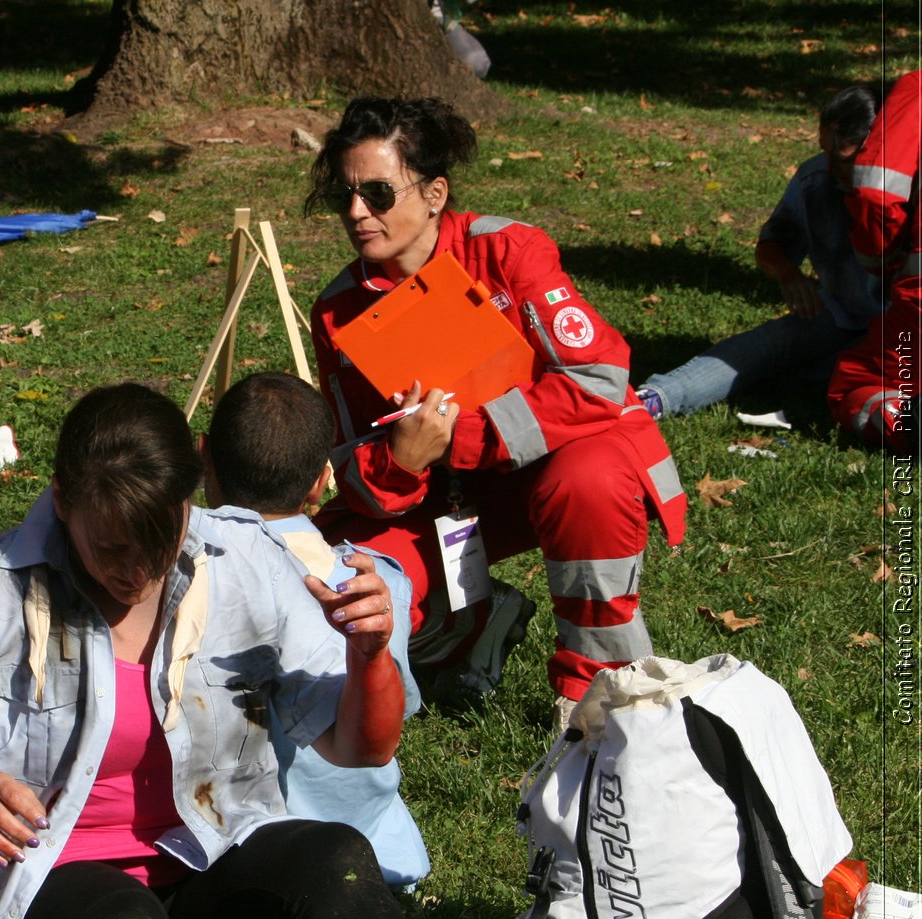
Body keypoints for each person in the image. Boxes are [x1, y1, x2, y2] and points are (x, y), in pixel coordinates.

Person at [0, 383, 485, 919]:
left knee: (335, 855)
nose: (136, 571)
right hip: (52, 884)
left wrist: (370, 654)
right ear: (60, 500)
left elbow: (360, 747)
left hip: (209, 866)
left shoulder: (243, 559)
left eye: (159, 540)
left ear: (189, 502)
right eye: (110, 547)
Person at [306, 96, 687, 727]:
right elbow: (349, 459)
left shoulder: (509, 250)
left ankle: (603, 693)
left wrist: (459, 437)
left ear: (434, 194)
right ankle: (468, 626)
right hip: (446, 496)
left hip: (557, 466)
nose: (356, 213)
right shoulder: (338, 311)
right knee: (334, 579)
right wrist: (400, 463)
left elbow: (596, 377)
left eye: (377, 192)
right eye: (343, 196)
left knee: (588, 480)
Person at [201, 370, 429, 886]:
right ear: (321, 480)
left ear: (203, 455)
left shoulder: (180, 572)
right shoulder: (378, 580)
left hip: (249, 843)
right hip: (373, 839)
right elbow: (395, 715)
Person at [635, 86, 882, 420]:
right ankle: (652, 400)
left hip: (904, 331)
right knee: (767, 345)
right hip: (841, 314)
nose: (830, 166)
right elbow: (772, 245)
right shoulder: (815, 180)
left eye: (844, 159)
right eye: (824, 150)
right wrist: (788, 274)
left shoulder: (908, 187)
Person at [832, 70, 919, 452]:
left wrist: (878, 263)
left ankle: (910, 424)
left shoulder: (917, 91)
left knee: (852, 384)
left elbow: (877, 194)